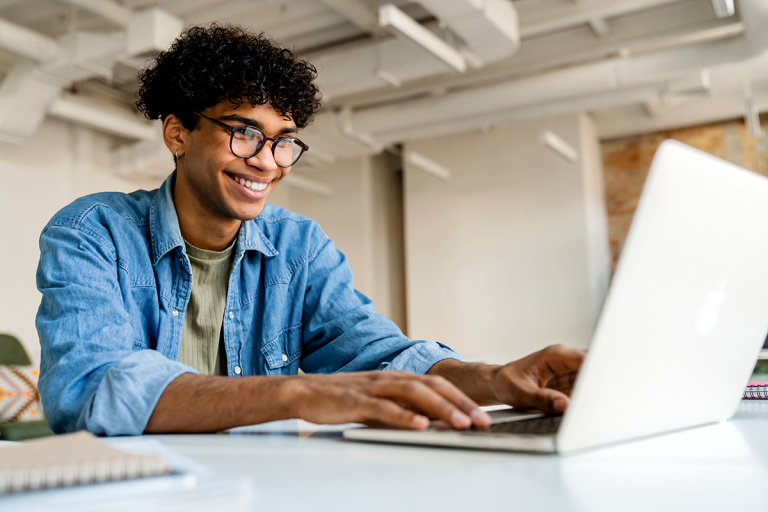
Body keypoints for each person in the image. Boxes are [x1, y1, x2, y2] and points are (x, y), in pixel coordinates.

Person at [36, 24, 585, 436]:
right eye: (244, 132)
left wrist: (496, 379)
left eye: (283, 140)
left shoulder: (299, 246)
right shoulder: (92, 232)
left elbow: (378, 356)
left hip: (267, 485)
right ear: (177, 133)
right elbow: (91, 391)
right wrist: (299, 392)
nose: (267, 161)